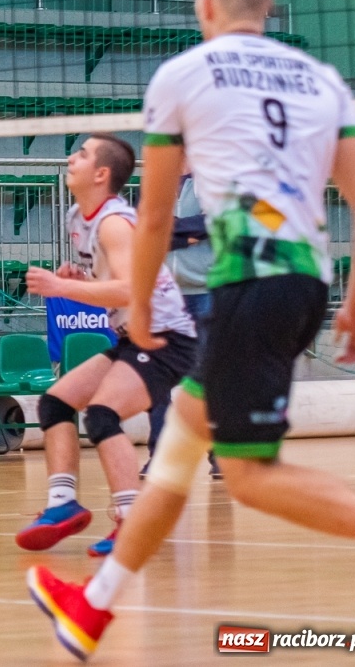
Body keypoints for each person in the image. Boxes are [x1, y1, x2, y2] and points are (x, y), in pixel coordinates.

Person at [27, 0, 355, 662]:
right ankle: (92, 609)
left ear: (208, 7)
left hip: (250, 288)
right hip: (302, 283)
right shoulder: (324, 80)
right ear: (265, 6)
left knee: (249, 477)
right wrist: (353, 307)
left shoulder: (184, 76)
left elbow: (154, 217)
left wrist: (145, 310)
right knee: (180, 452)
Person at [20, 134, 196, 557]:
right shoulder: (77, 217)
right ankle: (62, 505)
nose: (70, 158)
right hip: (132, 335)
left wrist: (61, 285)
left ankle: (132, 519)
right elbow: (118, 282)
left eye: (81, 154)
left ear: (101, 174)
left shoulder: (115, 222)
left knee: (102, 413)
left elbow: (134, 290)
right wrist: (85, 283)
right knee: (55, 403)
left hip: (164, 337)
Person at [144, 158, 221, 480]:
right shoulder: (157, 184)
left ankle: (221, 455)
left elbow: (214, 223)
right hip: (164, 295)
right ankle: (160, 456)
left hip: (206, 291)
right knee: (157, 378)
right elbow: (144, 225)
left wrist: (170, 229)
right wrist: (183, 232)